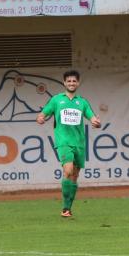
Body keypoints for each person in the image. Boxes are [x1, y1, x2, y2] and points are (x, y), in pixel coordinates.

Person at [36, 70, 101, 218]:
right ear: (64, 83)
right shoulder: (56, 100)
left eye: (74, 81)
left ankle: (67, 208)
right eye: (69, 81)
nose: (71, 83)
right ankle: (65, 209)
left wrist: (95, 122)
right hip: (63, 141)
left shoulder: (82, 102)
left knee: (74, 176)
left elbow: (91, 117)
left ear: (78, 83)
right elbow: (43, 114)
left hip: (79, 143)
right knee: (68, 170)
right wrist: (40, 118)